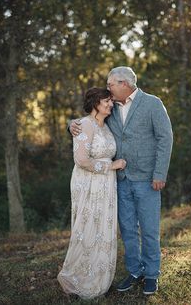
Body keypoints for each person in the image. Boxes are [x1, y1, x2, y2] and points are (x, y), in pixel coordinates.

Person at [70, 67, 173, 295]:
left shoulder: (152, 103)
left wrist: (160, 174)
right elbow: (91, 121)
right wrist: (71, 124)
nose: (108, 88)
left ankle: (152, 274)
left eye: (110, 84)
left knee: (149, 229)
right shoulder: (111, 106)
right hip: (120, 180)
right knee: (127, 229)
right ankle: (135, 271)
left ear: (124, 84)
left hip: (147, 179)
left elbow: (165, 138)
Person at [58, 87, 126, 300]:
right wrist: (111, 166)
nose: (110, 104)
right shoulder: (84, 125)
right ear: (96, 102)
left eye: (111, 101)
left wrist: (110, 169)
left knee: (102, 229)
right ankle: (76, 277)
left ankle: (99, 277)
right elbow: (81, 160)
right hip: (88, 183)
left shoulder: (106, 127)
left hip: (106, 185)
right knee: (87, 227)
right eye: (107, 101)